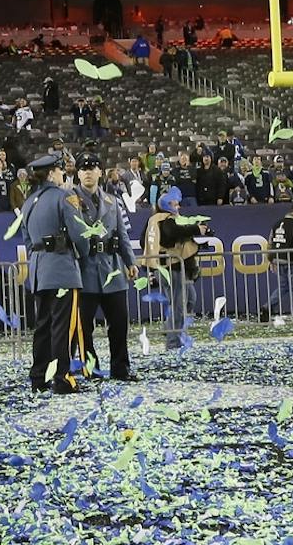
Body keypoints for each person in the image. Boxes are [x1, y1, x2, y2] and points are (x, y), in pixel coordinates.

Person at [21, 155, 88, 394]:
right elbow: (80, 234)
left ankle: (39, 377)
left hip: (39, 269)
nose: (63, 174)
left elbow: (27, 240)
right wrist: (84, 253)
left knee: (43, 327)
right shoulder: (65, 197)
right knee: (63, 327)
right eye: (60, 170)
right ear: (51, 174)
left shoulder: (29, 202)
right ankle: (62, 377)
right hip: (62, 268)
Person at [75, 154, 136, 381]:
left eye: (92, 168)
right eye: (83, 168)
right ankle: (91, 369)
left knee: (119, 324)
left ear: (101, 172)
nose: (88, 172)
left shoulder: (112, 201)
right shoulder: (70, 200)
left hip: (113, 269)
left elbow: (122, 234)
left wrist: (131, 262)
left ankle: (121, 368)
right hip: (85, 271)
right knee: (84, 328)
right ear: (78, 174)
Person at [142, 188, 205, 346]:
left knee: (189, 299)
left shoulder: (155, 219)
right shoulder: (165, 219)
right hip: (171, 267)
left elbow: (146, 242)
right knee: (178, 303)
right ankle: (173, 341)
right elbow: (172, 234)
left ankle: (170, 328)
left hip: (172, 267)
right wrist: (196, 229)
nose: (178, 207)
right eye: (175, 204)